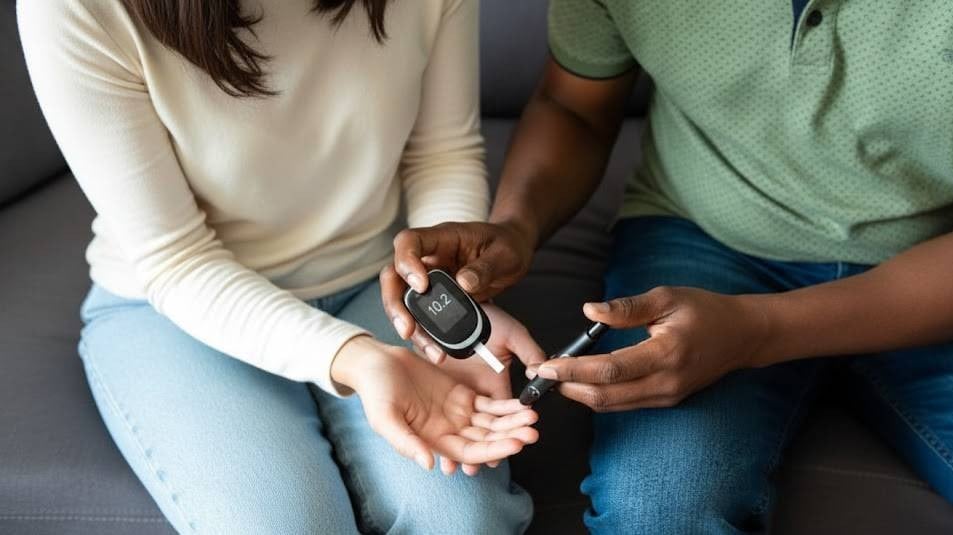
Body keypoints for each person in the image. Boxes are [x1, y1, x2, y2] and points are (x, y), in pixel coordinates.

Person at [383, 0, 953, 533]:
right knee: (657, 513)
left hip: (932, 261)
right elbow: (574, 105)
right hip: (703, 234)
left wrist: (758, 332)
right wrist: (517, 225)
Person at [18, 0, 546, 533]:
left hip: (375, 281)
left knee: (464, 521)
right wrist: (353, 358)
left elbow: (442, 152)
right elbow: (174, 256)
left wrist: (451, 304)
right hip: (175, 309)